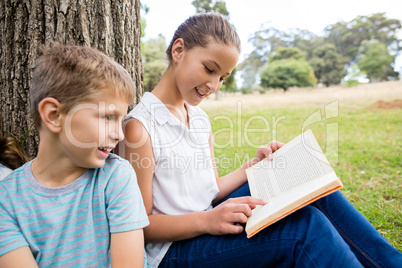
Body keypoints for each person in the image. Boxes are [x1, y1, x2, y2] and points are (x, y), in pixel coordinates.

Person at [117, 12, 402, 268]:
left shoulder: (198, 118)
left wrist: (253, 165)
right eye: (209, 69)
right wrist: (207, 220)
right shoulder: (140, 129)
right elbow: (140, 227)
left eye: (223, 78)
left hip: (209, 218)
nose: (214, 85)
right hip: (173, 252)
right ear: (179, 50)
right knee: (304, 229)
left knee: (310, 184)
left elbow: (210, 191)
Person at [0, 43, 149, 267]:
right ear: (54, 115)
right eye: (108, 117)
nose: (119, 134)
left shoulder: (116, 177)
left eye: (121, 120)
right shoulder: (6, 200)